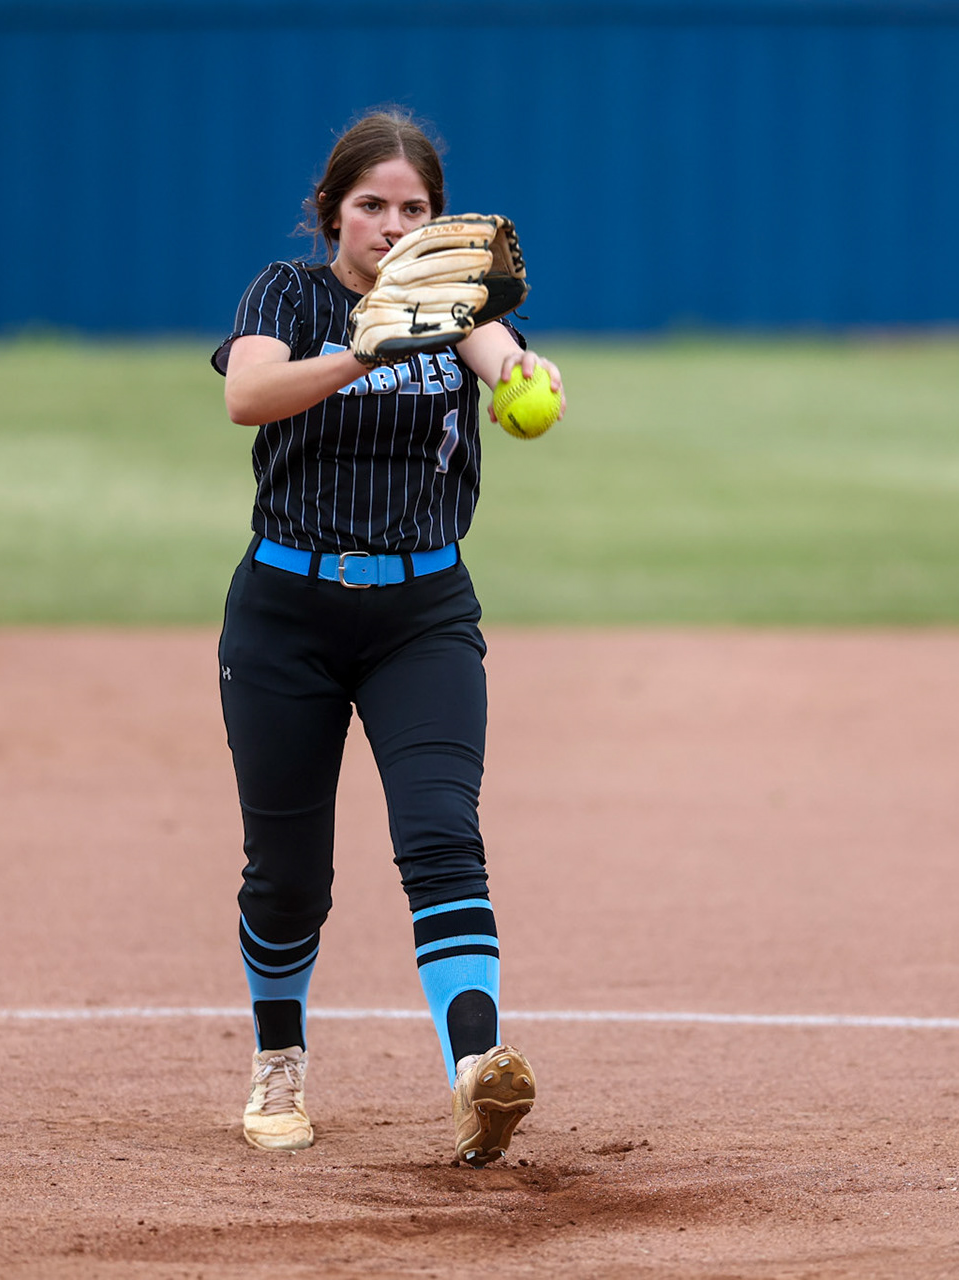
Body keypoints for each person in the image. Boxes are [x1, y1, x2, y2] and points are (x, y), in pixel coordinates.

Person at [209, 108, 561, 1166]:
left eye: (415, 208)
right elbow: (247, 393)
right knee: (287, 874)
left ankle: (476, 1074)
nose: (392, 224)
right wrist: (364, 350)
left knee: (442, 834)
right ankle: (279, 1062)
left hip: (423, 615)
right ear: (332, 214)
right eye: (372, 206)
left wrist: (520, 378)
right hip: (285, 615)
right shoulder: (290, 295)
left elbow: (500, 356)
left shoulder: (459, 301)